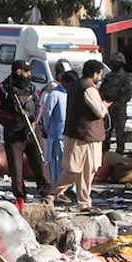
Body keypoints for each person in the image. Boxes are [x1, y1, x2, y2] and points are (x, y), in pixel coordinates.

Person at [47, 60, 110, 212]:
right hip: (84, 135)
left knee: (84, 170)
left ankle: (83, 202)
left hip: (83, 134)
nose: (100, 77)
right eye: (100, 74)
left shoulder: (76, 85)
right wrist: (105, 106)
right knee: (76, 170)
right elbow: (98, 111)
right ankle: (54, 194)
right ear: (95, 73)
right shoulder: (89, 88)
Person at [0, 60, 50, 204]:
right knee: (16, 170)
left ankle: (46, 194)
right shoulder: (3, 88)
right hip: (14, 135)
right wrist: (13, 117)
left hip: (32, 131)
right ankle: (20, 197)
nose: (29, 74)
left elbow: (38, 106)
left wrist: (34, 122)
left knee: (40, 163)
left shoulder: (31, 87)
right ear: (18, 71)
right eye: (26, 71)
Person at [41, 62, 72, 188]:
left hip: (70, 134)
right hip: (57, 134)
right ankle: (58, 187)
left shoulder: (71, 92)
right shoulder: (53, 92)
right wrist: (48, 129)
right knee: (57, 162)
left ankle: (69, 187)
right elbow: (46, 113)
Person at [100, 53, 132, 154]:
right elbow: (102, 90)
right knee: (106, 133)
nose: (115, 64)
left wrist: (117, 103)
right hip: (108, 108)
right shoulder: (108, 76)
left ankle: (120, 152)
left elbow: (128, 94)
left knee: (120, 134)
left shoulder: (126, 77)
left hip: (119, 109)